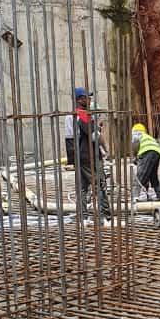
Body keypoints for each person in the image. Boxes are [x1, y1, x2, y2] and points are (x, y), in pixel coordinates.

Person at [73, 88, 112, 220]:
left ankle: (83, 217)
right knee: (99, 184)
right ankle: (106, 217)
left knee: (83, 188)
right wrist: (106, 150)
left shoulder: (74, 115)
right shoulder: (83, 115)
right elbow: (95, 136)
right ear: (80, 100)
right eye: (87, 97)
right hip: (90, 156)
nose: (89, 100)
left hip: (80, 155)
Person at [132, 122, 160, 201]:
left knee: (140, 175)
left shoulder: (136, 135)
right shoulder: (147, 136)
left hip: (147, 152)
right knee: (153, 176)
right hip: (157, 152)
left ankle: (134, 197)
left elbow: (135, 145)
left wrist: (135, 157)